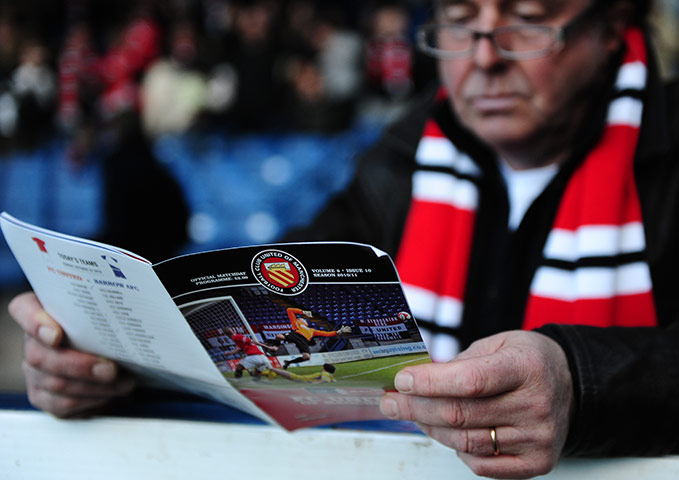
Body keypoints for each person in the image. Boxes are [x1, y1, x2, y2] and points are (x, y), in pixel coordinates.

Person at [6, 0, 679, 478]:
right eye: (459, 20)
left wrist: (580, 384)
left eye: (528, 17)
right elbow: (285, 290)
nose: (483, 56)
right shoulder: (412, 145)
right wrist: (105, 361)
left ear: (611, 24)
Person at [275, 307, 351, 369]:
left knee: (307, 357)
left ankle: (288, 362)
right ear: (300, 321)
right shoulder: (296, 323)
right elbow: (289, 310)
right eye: (303, 319)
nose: (305, 320)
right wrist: (303, 312)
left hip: (303, 341)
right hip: (296, 335)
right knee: (279, 336)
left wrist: (338, 331)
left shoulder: (312, 331)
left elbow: (326, 334)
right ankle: (273, 346)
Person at [267, 362, 337, 383]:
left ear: (324, 368)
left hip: (300, 379)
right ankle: (268, 378)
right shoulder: (330, 375)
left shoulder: (325, 374)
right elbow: (332, 380)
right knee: (277, 372)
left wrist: (313, 384)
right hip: (301, 379)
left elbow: (324, 380)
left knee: (275, 370)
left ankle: (267, 375)